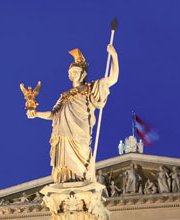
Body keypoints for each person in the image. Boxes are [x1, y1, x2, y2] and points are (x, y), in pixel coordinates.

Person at [28, 45, 119, 184]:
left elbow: (113, 78)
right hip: (63, 133)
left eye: (76, 71)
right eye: (71, 72)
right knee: (64, 166)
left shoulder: (90, 88)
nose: (73, 74)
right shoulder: (64, 96)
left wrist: (114, 56)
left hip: (80, 132)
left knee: (82, 159)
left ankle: (81, 180)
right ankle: (64, 181)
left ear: (83, 74)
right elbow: (53, 114)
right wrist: (36, 114)